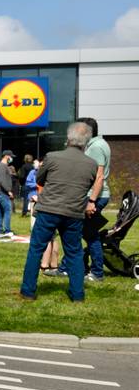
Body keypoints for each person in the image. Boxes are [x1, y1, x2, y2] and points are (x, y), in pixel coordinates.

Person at [20, 122, 100, 301]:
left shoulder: (52, 157)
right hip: (74, 212)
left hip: (49, 209)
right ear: (86, 141)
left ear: (68, 138)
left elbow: (39, 179)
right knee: (74, 253)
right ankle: (77, 295)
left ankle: (28, 291)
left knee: (36, 249)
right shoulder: (92, 164)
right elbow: (88, 184)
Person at [80, 116, 111, 283]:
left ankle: (97, 272)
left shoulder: (96, 147)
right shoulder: (99, 144)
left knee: (91, 235)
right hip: (97, 195)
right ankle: (78, 266)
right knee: (87, 233)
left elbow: (98, 176)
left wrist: (91, 201)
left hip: (95, 196)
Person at [0, 150, 17, 235]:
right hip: (3, 192)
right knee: (8, 210)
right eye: (11, 156)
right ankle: (7, 230)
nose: (11, 158)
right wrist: (9, 191)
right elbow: (3, 181)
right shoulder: (3, 166)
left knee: (0, 211)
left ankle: (0, 229)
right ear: (7, 156)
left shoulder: (1, 166)